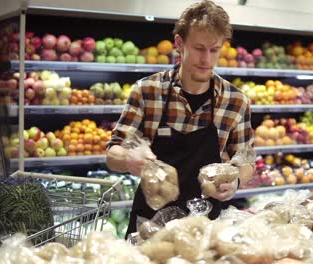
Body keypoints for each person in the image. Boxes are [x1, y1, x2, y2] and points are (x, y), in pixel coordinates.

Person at [106, 0, 254, 237]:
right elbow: (112, 154)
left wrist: (235, 182)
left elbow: (246, 160)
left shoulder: (235, 101)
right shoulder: (147, 90)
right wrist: (128, 159)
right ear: (179, 44)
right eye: (199, 48)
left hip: (205, 230)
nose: (206, 59)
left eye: (214, 50)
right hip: (149, 227)